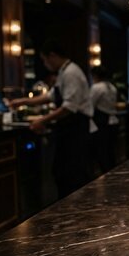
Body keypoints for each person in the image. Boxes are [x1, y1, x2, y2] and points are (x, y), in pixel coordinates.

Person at [10, 39, 94, 198]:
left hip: (76, 129)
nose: (45, 64)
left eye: (44, 59)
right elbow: (52, 96)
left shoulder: (71, 72)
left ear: (52, 56)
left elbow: (69, 107)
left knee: (73, 175)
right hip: (69, 129)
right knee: (61, 172)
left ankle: (76, 214)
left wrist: (42, 120)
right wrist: (24, 101)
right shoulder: (64, 71)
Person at [90, 65, 118, 173]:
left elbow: (90, 105)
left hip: (102, 121)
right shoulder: (112, 87)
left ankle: (106, 176)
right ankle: (112, 174)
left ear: (95, 75)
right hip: (113, 121)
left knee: (102, 152)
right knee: (110, 152)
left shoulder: (97, 87)